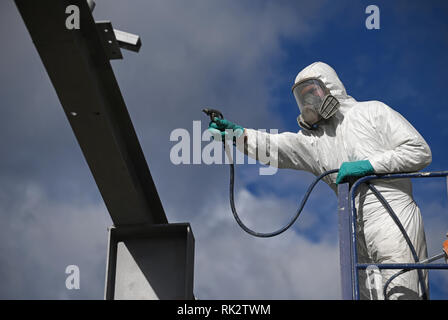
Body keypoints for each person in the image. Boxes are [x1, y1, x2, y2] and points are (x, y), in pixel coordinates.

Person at [208, 62, 432, 300]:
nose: (308, 102)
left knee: (401, 290)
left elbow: (419, 151)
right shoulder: (316, 142)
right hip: (353, 223)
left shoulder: (372, 112)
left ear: (329, 87)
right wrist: (239, 136)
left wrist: (369, 165)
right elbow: (276, 147)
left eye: (312, 92)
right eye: (302, 97)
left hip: (391, 211)